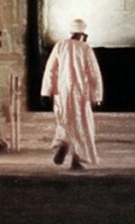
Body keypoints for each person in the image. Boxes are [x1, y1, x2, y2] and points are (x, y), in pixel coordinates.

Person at [40, 18, 104, 170]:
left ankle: (64, 143)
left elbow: (50, 69)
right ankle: (76, 159)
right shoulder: (85, 48)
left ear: (71, 32)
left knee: (65, 121)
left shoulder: (60, 46)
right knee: (81, 124)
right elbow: (94, 73)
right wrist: (97, 96)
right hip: (80, 93)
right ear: (83, 33)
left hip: (62, 92)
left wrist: (46, 91)